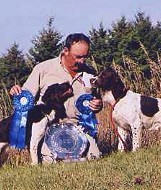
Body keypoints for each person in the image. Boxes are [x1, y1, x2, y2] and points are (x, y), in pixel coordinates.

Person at [9, 33, 103, 163]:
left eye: (85, 57)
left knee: (94, 158)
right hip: (50, 130)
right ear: (65, 51)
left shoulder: (90, 74)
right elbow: (26, 98)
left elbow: (95, 101)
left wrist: (98, 105)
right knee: (52, 162)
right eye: (78, 57)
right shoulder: (43, 69)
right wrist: (17, 92)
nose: (82, 61)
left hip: (79, 129)